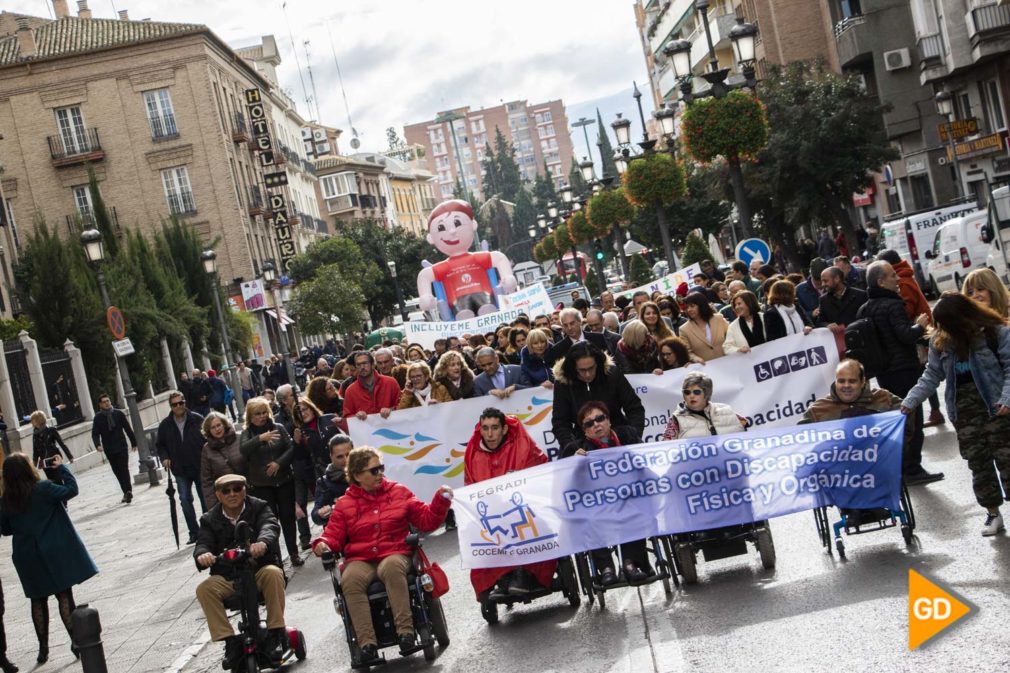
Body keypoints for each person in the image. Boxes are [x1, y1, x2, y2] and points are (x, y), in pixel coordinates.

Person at [312, 447, 451, 661]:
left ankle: (405, 631)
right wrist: (322, 544)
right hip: (361, 559)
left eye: (381, 468)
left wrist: (441, 501)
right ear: (357, 475)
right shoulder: (344, 504)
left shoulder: (399, 492)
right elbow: (332, 535)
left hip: (394, 552)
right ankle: (367, 644)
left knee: (392, 567)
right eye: (373, 470)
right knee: (349, 580)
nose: (380, 474)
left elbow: (426, 520)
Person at [901, 294, 1010, 535]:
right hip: (964, 413)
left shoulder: (994, 333)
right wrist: (910, 402)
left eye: (946, 324)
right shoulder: (941, 342)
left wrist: (1007, 399)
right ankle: (993, 514)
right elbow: (931, 375)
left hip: (997, 409)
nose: (942, 330)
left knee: (1007, 459)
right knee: (978, 464)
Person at [1, 453, 97, 666]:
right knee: (64, 596)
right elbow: (71, 490)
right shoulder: (42, 488)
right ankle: (76, 642)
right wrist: (62, 468)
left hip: (27, 556)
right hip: (53, 550)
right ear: (28, 469)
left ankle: (43, 649)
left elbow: (5, 529)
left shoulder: (6, 499)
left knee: (37, 600)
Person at [860, 261, 943, 484]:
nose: (897, 279)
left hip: (884, 373)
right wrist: (920, 325)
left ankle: (904, 467)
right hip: (903, 370)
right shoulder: (892, 305)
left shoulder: (865, 307)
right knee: (912, 421)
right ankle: (912, 468)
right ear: (880, 281)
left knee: (899, 420)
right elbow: (905, 335)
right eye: (892, 276)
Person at [194, 474, 288, 668]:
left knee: (273, 573)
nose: (232, 494)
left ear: (244, 490)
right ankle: (230, 642)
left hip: (258, 570)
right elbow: (203, 542)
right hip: (229, 576)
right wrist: (203, 555)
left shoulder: (259, 506)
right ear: (218, 495)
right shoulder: (209, 519)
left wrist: (262, 542)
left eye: (237, 488)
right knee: (205, 589)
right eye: (226, 491)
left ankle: (275, 633)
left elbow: (270, 525)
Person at [463, 409, 558, 597]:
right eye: (485, 428)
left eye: (494, 428)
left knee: (523, 523)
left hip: (525, 508)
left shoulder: (521, 444)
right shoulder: (473, 453)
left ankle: (523, 572)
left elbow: (540, 470)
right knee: (481, 533)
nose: (490, 434)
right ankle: (503, 577)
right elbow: (469, 487)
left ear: (504, 429)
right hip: (492, 514)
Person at [563, 401, 651, 585]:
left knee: (636, 510)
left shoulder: (628, 436)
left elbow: (646, 464)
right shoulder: (577, 450)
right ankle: (606, 568)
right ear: (585, 431)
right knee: (588, 518)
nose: (596, 425)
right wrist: (574, 465)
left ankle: (630, 563)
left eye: (600, 418)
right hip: (598, 504)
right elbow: (566, 485)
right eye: (589, 423)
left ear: (609, 420)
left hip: (629, 497)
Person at [877, 249, 946, 427]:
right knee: (925, 372)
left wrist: (894, 316)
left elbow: (906, 309)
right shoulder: (905, 276)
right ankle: (935, 411)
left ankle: (935, 411)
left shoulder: (903, 282)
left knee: (926, 373)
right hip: (921, 330)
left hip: (921, 332)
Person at [551, 342, 645, 457]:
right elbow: (560, 422)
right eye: (581, 370)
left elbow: (634, 407)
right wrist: (573, 447)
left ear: (598, 364)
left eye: (591, 368)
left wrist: (633, 436)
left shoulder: (612, 374)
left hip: (620, 438)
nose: (587, 374)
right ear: (573, 368)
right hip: (583, 447)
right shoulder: (563, 383)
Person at [239, 397, 302, 567]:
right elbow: (243, 450)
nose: (261, 417)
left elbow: (290, 448)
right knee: (269, 521)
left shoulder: (279, 428)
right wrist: (260, 438)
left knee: (288, 518)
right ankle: (276, 556)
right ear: (250, 417)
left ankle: (294, 552)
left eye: (264, 413)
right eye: (257, 414)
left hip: (283, 481)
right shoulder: (247, 434)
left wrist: (279, 463)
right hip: (262, 485)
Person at [155, 391, 207, 544]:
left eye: (181, 403)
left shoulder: (197, 419)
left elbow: (208, 438)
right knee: (184, 499)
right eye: (175, 404)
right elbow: (160, 445)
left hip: (199, 465)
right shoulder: (165, 425)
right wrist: (164, 458)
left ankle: (208, 529)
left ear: (185, 402)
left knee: (205, 498)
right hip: (180, 468)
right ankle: (194, 532)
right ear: (171, 407)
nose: (179, 406)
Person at [662, 372, 746, 439]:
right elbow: (666, 448)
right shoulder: (676, 419)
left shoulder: (726, 410)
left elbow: (748, 435)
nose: (691, 396)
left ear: (706, 393)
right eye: (687, 392)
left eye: (696, 392)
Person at [89, 393, 136, 503]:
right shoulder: (98, 418)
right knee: (117, 471)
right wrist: (97, 445)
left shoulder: (118, 414)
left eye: (108, 401)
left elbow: (127, 428)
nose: (106, 403)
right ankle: (125, 492)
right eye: (104, 402)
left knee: (124, 469)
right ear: (100, 405)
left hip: (121, 446)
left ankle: (128, 491)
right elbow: (95, 433)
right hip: (109, 449)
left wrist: (134, 442)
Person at [547, 307, 624, 369]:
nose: (569, 328)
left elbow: (609, 363)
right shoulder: (558, 349)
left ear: (580, 322)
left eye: (572, 323)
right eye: (565, 325)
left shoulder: (598, 338)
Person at [199, 411, 246, 508]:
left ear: (224, 424)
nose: (217, 429)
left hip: (245, 491)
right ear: (208, 430)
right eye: (213, 427)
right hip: (226, 497)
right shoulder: (207, 449)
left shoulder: (240, 438)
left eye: (218, 425)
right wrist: (212, 506)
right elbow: (207, 480)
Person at [343, 351, 400, 421]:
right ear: (356, 367)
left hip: (391, 427)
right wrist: (356, 416)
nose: (362, 367)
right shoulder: (350, 390)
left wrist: (391, 410)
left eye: (365, 363)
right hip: (366, 430)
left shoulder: (390, 382)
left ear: (373, 364)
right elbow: (347, 416)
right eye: (358, 365)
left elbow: (401, 406)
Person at [311, 434, 351, 526]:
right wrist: (321, 514)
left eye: (349, 454)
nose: (345, 460)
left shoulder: (366, 474)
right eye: (339, 456)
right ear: (331, 456)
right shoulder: (324, 482)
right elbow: (315, 515)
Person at [679, 292, 730, 361]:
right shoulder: (684, 329)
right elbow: (687, 352)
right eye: (687, 307)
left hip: (728, 362)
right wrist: (695, 358)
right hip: (705, 368)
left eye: (692, 306)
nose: (689, 310)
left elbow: (732, 338)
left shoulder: (719, 319)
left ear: (701, 305)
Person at [30, 411, 73, 483]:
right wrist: (34, 465)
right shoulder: (35, 434)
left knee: (58, 479)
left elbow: (61, 443)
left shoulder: (51, 430)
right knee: (52, 481)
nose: (31, 422)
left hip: (54, 457)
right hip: (44, 461)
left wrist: (70, 456)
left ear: (38, 420)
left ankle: (61, 492)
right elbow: (35, 451)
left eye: (33, 420)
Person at [723, 290, 766, 355]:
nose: (736, 307)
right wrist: (738, 350)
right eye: (735, 305)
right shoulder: (733, 326)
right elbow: (727, 347)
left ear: (750, 303)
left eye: (739, 304)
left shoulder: (765, 318)